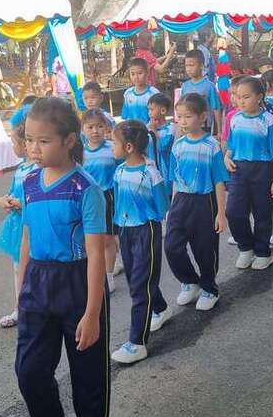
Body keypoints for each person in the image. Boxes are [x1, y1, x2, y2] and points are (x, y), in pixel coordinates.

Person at [15, 97, 108, 417]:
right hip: (37, 283)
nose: (33, 148)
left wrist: (92, 313)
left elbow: (96, 253)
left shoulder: (86, 188)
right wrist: (21, 292)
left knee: (88, 370)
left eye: (43, 141)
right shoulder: (29, 183)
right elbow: (27, 239)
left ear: (69, 140)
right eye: (29, 139)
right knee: (29, 369)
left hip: (77, 281)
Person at [109, 120, 169, 364]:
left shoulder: (151, 173)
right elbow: (117, 202)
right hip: (126, 232)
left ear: (129, 147)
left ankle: (137, 342)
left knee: (140, 286)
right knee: (136, 279)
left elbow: (162, 206)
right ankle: (161, 308)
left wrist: (146, 217)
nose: (111, 147)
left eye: (114, 143)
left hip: (146, 231)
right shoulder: (119, 172)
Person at [164, 93, 229, 312]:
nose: (182, 121)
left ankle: (210, 288)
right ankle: (190, 282)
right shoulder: (178, 146)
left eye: (188, 116)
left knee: (204, 249)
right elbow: (175, 179)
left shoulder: (212, 146)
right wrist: (172, 207)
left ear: (202, 117)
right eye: (179, 116)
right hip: (181, 200)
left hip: (204, 202)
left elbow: (219, 181)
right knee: (172, 246)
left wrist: (221, 213)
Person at [225, 76, 273, 270]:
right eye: (238, 96)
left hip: (263, 170)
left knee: (262, 213)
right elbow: (231, 145)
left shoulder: (269, 120)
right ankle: (246, 248)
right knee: (233, 211)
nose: (241, 101)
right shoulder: (235, 118)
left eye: (246, 97)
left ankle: (263, 252)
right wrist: (226, 157)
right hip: (239, 171)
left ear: (259, 97)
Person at [0, 122, 36, 329]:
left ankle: (33, 308)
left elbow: (39, 198)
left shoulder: (37, 169)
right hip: (17, 224)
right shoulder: (21, 168)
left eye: (14, 143)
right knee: (18, 267)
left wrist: (21, 204)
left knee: (33, 267)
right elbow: (12, 192)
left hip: (32, 225)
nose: (13, 147)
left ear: (25, 144)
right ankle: (20, 308)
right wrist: (5, 200)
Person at [81, 109, 121, 294]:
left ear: (106, 128)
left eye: (99, 126)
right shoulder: (80, 153)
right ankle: (94, 273)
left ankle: (109, 275)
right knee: (91, 238)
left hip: (109, 196)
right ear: (83, 129)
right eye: (90, 127)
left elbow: (122, 170)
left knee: (107, 238)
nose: (95, 131)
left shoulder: (112, 148)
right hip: (88, 199)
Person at [180, 49, 223, 133]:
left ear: (201, 66)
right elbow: (182, 107)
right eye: (186, 66)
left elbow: (216, 109)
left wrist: (219, 131)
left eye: (191, 65)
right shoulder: (185, 86)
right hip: (188, 127)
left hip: (205, 127)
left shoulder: (209, 86)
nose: (188, 69)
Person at [121, 58, 161, 125]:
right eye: (133, 74)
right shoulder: (128, 93)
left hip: (149, 130)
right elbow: (125, 116)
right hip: (131, 129)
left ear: (147, 73)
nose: (136, 77)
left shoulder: (154, 93)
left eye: (140, 73)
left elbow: (158, 117)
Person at [147, 93, 175, 177]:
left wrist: (154, 130)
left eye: (152, 110)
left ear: (163, 111)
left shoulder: (170, 129)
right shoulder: (147, 127)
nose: (149, 113)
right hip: (151, 170)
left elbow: (162, 148)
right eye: (148, 110)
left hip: (165, 170)